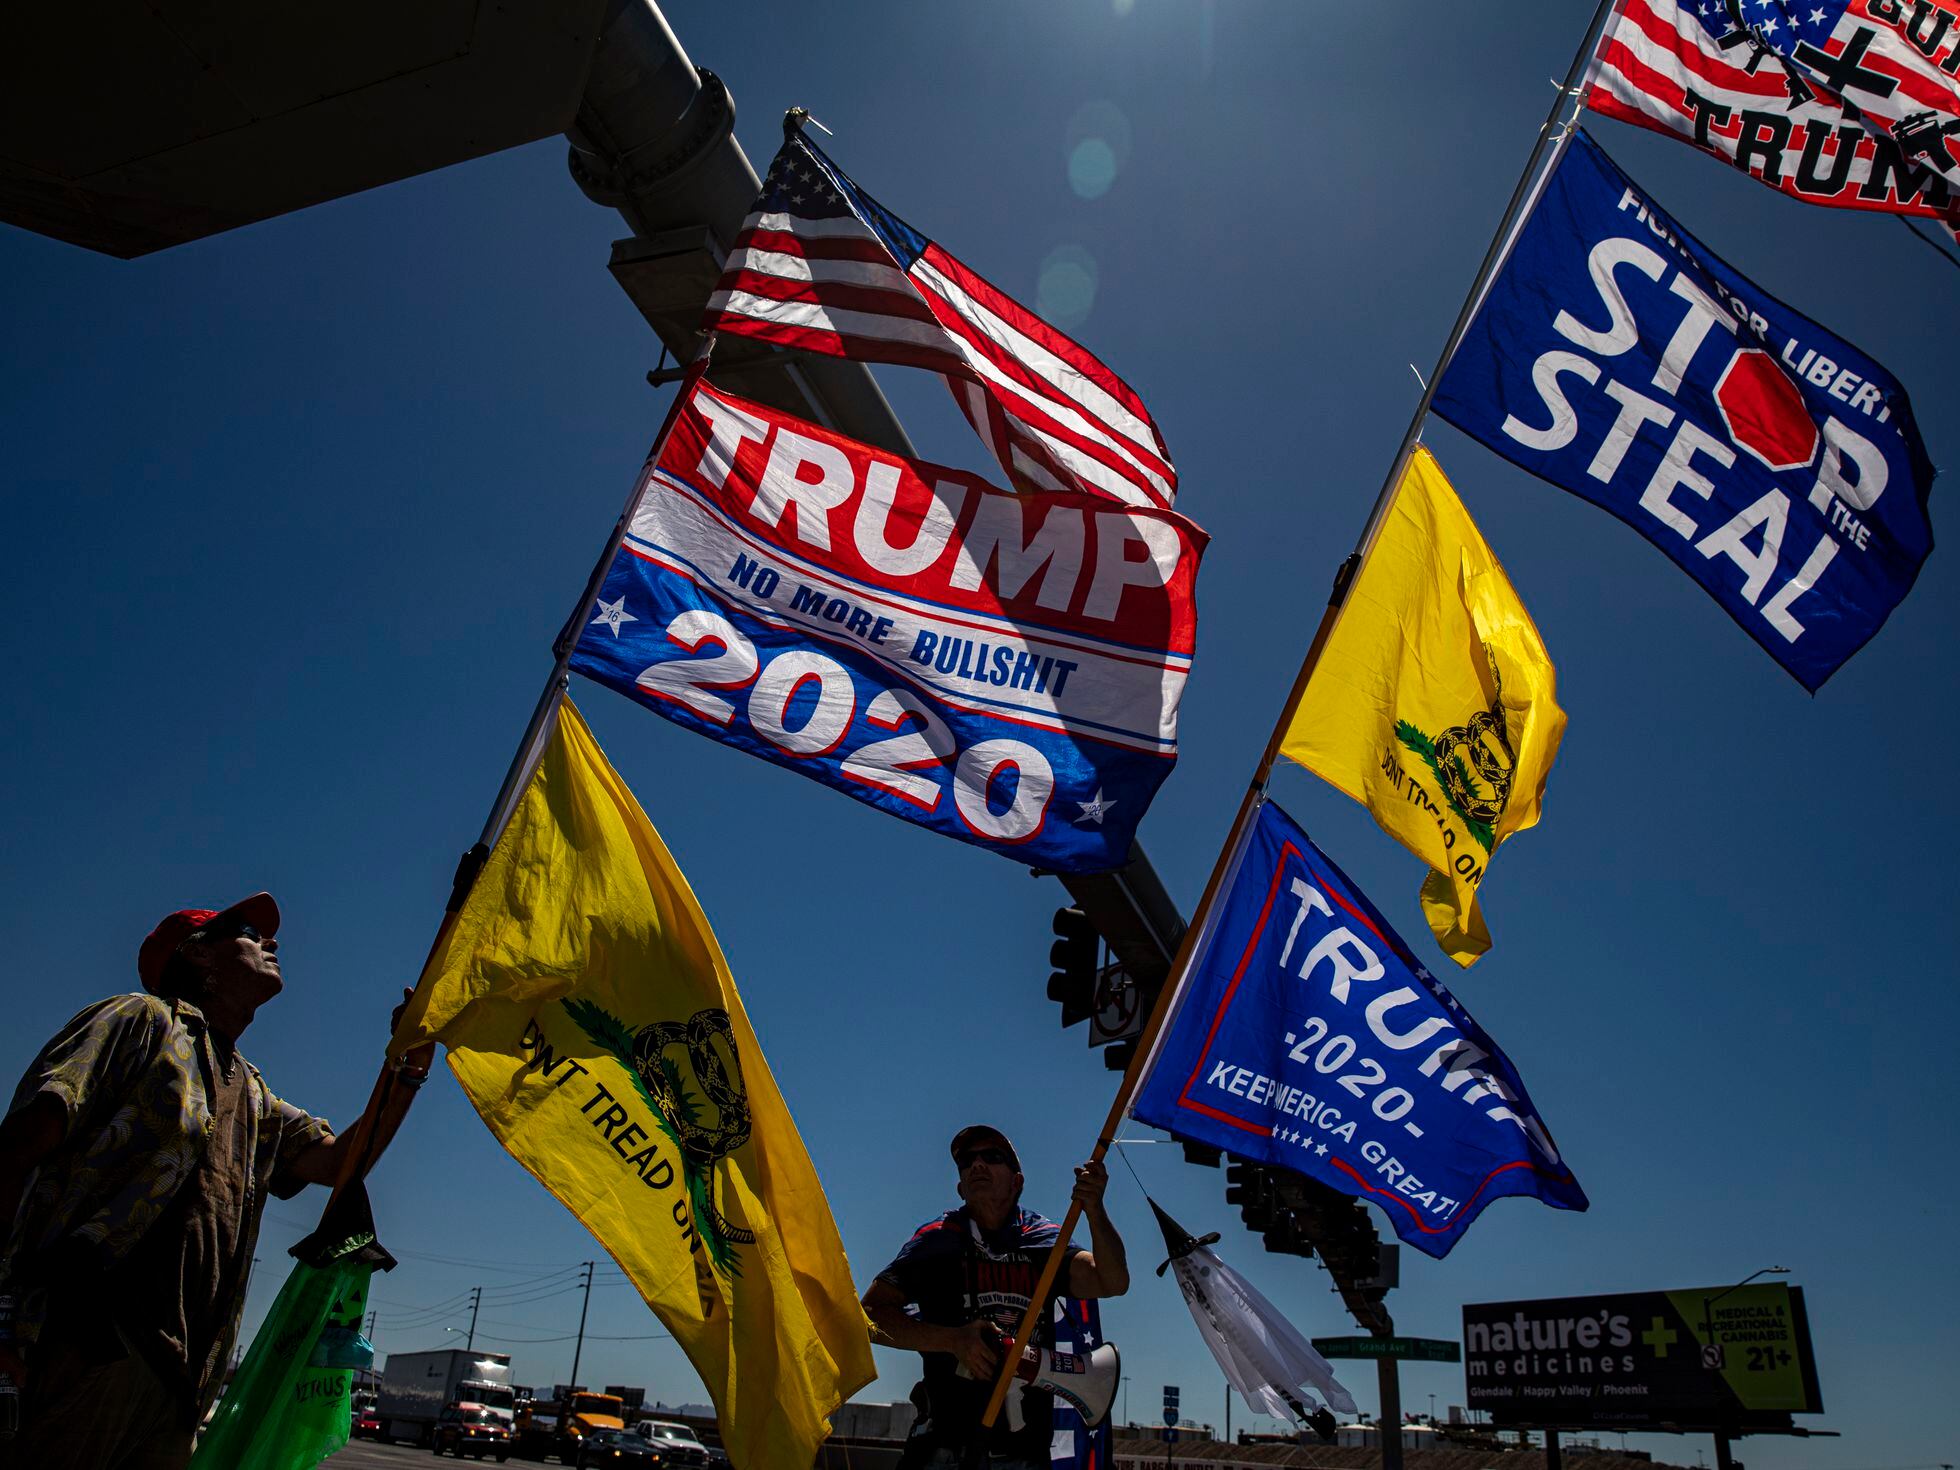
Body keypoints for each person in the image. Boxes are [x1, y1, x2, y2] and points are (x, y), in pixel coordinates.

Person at [0, 891, 434, 1470]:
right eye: (251, 933)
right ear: (198, 956)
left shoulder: (252, 1093)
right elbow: (19, 1146)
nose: (271, 942)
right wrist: (3, 1314)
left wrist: (404, 1067)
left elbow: (339, 1165)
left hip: (183, 1377)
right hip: (90, 1342)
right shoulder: (139, 1021)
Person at [861, 1125, 1129, 1470]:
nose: (977, 1165)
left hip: (1025, 1453)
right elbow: (869, 1315)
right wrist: (953, 1340)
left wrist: (1094, 1209)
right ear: (961, 1188)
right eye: (967, 1162)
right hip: (947, 1449)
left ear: (1016, 1181)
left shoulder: (1043, 1240)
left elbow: (1112, 1280)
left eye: (992, 1157)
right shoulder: (937, 1241)